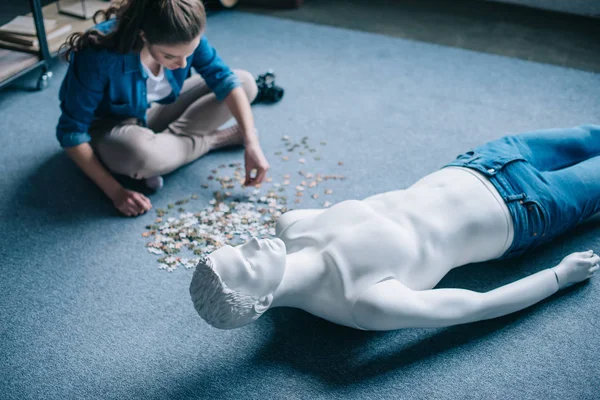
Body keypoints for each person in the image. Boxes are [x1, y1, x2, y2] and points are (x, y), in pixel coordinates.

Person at [190, 125, 600, 331]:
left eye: (237, 245)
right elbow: (477, 306)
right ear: (258, 302)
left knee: (589, 132)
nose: (252, 243)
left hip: (478, 162)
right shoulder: (361, 302)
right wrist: (558, 277)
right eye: (245, 262)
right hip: (526, 210)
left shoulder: (294, 225)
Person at [56, 0, 269, 217]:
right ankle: (214, 140)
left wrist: (252, 142)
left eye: (190, 52)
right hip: (111, 129)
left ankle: (168, 151)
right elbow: (71, 133)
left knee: (245, 84)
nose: (184, 65)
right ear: (143, 35)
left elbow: (224, 78)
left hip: (152, 109)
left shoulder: (183, 31)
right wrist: (117, 192)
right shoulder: (97, 56)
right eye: (170, 56)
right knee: (141, 155)